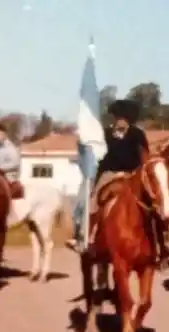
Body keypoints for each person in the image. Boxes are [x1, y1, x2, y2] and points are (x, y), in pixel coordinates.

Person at [66, 99, 149, 251]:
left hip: (132, 174)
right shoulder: (105, 134)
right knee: (92, 201)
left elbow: (145, 155)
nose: (121, 122)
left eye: (124, 119)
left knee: (152, 202)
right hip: (109, 174)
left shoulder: (138, 134)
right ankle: (87, 236)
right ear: (114, 119)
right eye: (118, 118)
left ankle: (159, 243)